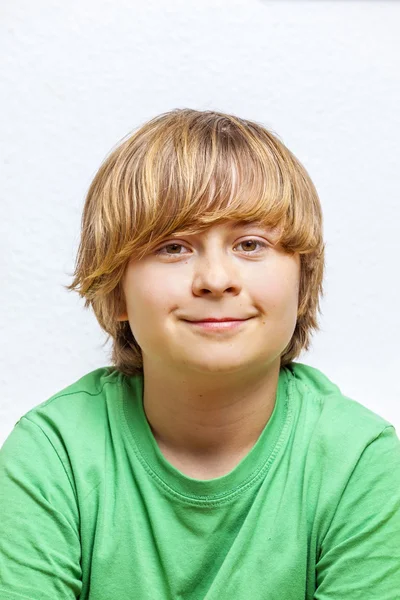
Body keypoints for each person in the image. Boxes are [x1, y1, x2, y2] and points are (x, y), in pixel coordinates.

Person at [0, 109, 399, 600]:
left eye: (251, 244)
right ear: (117, 288)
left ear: (302, 280)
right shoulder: (52, 455)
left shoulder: (360, 461)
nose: (215, 279)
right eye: (173, 247)